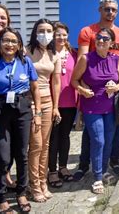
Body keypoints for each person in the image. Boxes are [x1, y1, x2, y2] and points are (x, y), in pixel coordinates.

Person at [75, 0, 119, 181]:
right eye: (107, 9)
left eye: (114, 9)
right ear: (100, 10)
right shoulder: (87, 31)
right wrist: (84, 91)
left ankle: (110, 163)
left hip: (112, 94)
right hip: (92, 92)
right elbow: (81, 66)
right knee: (91, 135)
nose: (110, 12)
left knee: (112, 133)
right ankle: (84, 166)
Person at [0, 27, 41, 213]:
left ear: (19, 45)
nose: (9, 44)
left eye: (13, 41)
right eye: (6, 41)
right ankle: (1, 196)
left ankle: (21, 193)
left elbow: (35, 89)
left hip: (22, 109)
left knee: (22, 154)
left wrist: (38, 114)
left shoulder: (25, 61)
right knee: (2, 157)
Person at [71, 28, 119, 194]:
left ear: (111, 43)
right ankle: (98, 177)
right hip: (92, 107)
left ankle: (104, 169)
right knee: (98, 140)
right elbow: (74, 80)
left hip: (110, 107)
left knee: (108, 140)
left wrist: (116, 87)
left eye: (105, 39)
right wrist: (82, 90)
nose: (101, 41)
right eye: (98, 38)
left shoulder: (116, 59)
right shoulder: (86, 59)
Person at [26, 18, 61, 202]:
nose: (45, 34)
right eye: (41, 30)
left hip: (48, 102)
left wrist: (56, 106)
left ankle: (42, 182)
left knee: (45, 146)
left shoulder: (53, 54)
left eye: (49, 30)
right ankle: (33, 185)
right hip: (30, 103)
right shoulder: (26, 52)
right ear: (35, 32)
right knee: (36, 146)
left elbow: (56, 81)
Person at [0, 4, 17, 196]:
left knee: (7, 145)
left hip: (8, 106)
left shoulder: (9, 43)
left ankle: (5, 176)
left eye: (2, 18)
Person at [48, 22, 78, 188]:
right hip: (52, 102)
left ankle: (63, 167)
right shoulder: (47, 53)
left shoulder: (73, 53)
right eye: (57, 34)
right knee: (53, 138)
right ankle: (52, 171)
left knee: (65, 136)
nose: (61, 37)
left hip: (70, 102)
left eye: (64, 34)